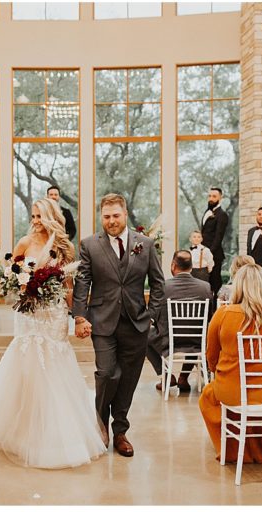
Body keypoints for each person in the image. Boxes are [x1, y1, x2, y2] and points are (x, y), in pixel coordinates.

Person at [0, 198, 106, 468]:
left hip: (53, 314)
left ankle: (56, 430)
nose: (35, 220)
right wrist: (21, 286)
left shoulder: (63, 246)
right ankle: (24, 429)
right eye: (33, 215)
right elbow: (10, 274)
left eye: (40, 215)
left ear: (52, 216)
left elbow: (68, 285)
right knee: (29, 365)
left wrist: (77, 315)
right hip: (29, 315)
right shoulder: (24, 242)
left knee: (54, 363)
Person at [73, 193, 165, 457]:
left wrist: (151, 315)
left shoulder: (145, 244)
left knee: (128, 379)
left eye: (115, 216)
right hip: (102, 321)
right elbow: (83, 284)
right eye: (106, 217)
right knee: (107, 373)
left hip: (136, 323)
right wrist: (80, 317)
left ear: (125, 214)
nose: (111, 221)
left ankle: (120, 431)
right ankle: (100, 422)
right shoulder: (90, 244)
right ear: (101, 217)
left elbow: (158, 284)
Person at [199, 263, 262, 464]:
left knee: (208, 397)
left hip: (233, 387)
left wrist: (218, 372)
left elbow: (211, 354)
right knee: (254, 402)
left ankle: (233, 451)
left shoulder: (224, 314)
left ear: (238, 286)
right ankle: (259, 452)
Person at [146, 250, 211, 393]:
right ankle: (183, 377)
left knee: (142, 335)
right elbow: (209, 318)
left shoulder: (163, 287)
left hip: (168, 340)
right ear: (191, 267)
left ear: (173, 265)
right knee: (195, 331)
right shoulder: (205, 287)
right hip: (197, 341)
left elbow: (154, 316)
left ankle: (165, 375)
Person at [201, 187, 229, 296]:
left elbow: (218, 238)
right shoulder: (207, 211)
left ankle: (215, 309)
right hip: (203, 253)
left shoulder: (222, 215)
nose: (211, 198)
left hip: (214, 255)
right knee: (205, 282)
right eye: (209, 196)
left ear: (220, 198)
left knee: (215, 282)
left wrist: (208, 253)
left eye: (214, 196)